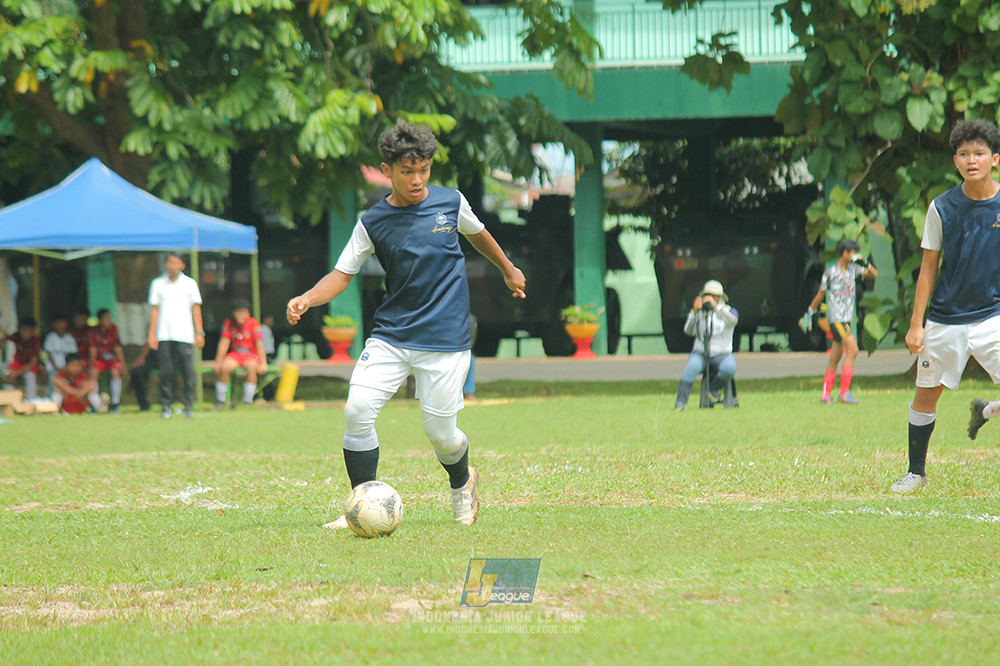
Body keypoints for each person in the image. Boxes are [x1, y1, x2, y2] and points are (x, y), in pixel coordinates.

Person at [286, 120, 526, 527]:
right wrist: (308, 297)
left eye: (424, 170)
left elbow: (479, 234)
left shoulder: (450, 203)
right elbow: (342, 274)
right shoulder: (373, 221)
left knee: (442, 435)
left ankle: (463, 481)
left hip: (446, 338)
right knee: (357, 409)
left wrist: (507, 268)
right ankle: (360, 505)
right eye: (407, 171)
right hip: (392, 335)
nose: (417, 180)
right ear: (387, 170)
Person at [891, 119, 1000, 494]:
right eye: (965, 154)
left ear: (995, 159)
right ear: (955, 160)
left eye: (980, 154)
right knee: (926, 393)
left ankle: (986, 411)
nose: (972, 160)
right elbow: (928, 268)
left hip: (993, 316)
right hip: (946, 318)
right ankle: (915, 472)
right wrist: (916, 323)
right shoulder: (942, 207)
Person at [800, 239, 878, 404]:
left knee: (835, 356)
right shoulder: (830, 272)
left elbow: (873, 274)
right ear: (844, 253)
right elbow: (820, 295)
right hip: (837, 319)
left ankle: (825, 395)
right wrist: (808, 315)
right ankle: (844, 393)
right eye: (852, 253)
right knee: (854, 350)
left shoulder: (853, 270)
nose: (854, 255)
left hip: (847, 319)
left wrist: (865, 263)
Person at [148, 252, 205, 419]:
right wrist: (152, 334)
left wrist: (199, 332)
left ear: (182, 265)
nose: (173, 266)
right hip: (164, 334)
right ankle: (166, 405)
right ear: (166, 264)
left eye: (176, 263)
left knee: (187, 371)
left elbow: (196, 308)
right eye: (170, 262)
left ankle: (188, 405)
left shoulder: (190, 284)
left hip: (185, 334)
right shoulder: (158, 284)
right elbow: (155, 311)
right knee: (166, 372)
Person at [674, 280, 738, 410]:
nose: (709, 299)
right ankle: (681, 402)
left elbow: (733, 320)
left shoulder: (728, 311)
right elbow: (688, 331)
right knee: (691, 367)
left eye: (714, 296)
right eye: (707, 296)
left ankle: (712, 389)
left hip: (722, 354)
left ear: (719, 298)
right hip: (701, 353)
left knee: (730, 368)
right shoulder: (700, 313)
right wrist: (694, 312)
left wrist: (717, 307)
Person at [212, 299, 268, 409]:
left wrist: (263, 363)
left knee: (252, 368)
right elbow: (224, 342)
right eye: (237, 312)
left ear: (248, 313)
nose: (240, 315)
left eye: (243, 312)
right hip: (235, 354)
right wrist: (218, 362)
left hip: (251, 355)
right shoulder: (228, 323)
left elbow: (260, 344)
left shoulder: (253, 324)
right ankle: (220, 400)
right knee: (225, 367)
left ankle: (247, 400)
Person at [88, 308, 128, 413]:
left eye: (110, 318)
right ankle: (95, 404)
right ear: (100, 320)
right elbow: (93, 349)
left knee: (115, 372)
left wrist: (123, 364)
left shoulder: (113, 329)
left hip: (111, 359)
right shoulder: (94, 331)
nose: (109, 321)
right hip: (100, 359)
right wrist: (91, 363)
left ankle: (115, 403)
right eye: (106, 319)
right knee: (93, 372)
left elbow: (117, 348)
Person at [2, 317, 44, 400]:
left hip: (30, 366)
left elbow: (33, 363)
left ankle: (32, 401)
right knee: (8, 376)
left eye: (29, 331)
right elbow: (5, 339)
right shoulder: (16, 336)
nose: (26, 334)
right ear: (19, 329)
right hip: (18, 363)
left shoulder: (35, 340)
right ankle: (8, 401)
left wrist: (17, 373)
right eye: (24, 330)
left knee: (30, 376)